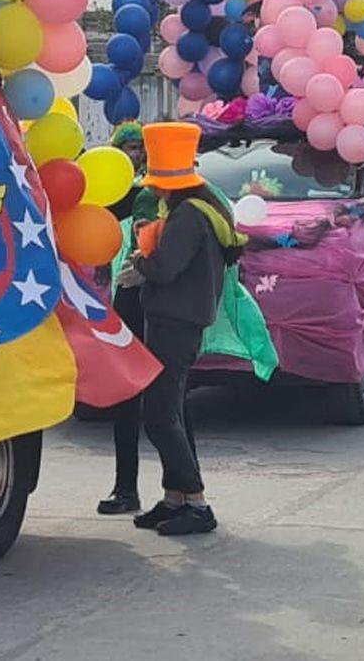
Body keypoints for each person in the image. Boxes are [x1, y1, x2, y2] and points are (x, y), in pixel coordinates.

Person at [116, 122, 244, 536]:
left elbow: (166, 268)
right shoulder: (197, 209)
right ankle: (175, 498)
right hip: (176, 319)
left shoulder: (189, 216)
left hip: (175, 322)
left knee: (160, 415)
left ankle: (197, 502)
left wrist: (140, 263)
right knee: (165, 410)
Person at [96, 122, 151, 516]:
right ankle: (126, 489)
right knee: (127, 403)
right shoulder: (113, 192)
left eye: (139, 147)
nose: (135, 153)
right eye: (128, 147)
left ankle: (184, 493)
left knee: (169, 411)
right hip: (124, 304)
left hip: (162, 309)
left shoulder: (160, 194)